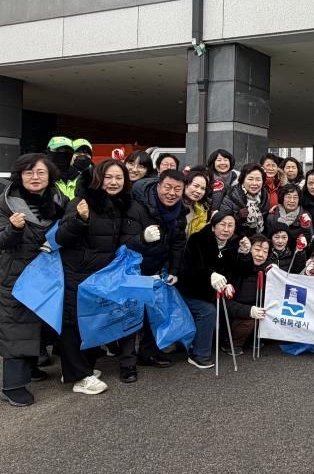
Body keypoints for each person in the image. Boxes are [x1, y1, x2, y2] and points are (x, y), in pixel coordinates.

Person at [56, 159, 138, 390]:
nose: (113, 182)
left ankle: (78, 369)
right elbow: (61, 237)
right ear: (98, 178)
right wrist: (79, 220)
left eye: (119, 178)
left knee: (91, 321)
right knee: (73, 322)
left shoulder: (118, 205)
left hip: (100, 274)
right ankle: (79, 377)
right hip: (77, 272)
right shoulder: (82, 202)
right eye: (108, 177)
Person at [0, 154, 67, 407]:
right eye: (28, 173)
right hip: (16, 274)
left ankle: (30, 369)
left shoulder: (60, 200)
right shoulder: (7, 204)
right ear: (19, 175)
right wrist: (13, 229)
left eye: (40, 172)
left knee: (38, 322)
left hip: (48, 273)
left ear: (49, 175)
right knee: (17, 325)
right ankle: (12, 386)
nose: (35, 177)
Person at [123, 170, 188, 368]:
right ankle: (127, 364)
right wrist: (143, 238)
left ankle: (148, 353)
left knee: (154, 311)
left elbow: (178, 244)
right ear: (158, 186)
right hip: (133, 269)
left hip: (158, 267)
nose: (172, 193)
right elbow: (125, 242)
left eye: (177, 189)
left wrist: (175, 271)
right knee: (132, 316)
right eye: (167, 187)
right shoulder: (137, 206)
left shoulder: (180, 212)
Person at [178, 212, 251, 367]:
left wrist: (245, 255)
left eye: (230, 225)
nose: (226, 229)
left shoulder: (233, 244)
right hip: (191, 290)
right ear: (213, 226)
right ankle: (199, 354)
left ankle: (226, 343)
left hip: (215, 292)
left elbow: (240, 271)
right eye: (222, 225)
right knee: (208, 310)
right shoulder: (197, 240)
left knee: (229, 305)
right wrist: (210, 275)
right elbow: (191, 269)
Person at [223, 234, 273, 354]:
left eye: (265, 251)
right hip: (234, 317)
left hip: (256, 312)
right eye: (256, 249)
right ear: (248, 249)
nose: (260, 254)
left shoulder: (269, 271)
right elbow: (225, 303)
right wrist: (248, 310)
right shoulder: (235, 268)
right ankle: (231, 343)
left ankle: (252, 339)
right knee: (250, 319)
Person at [220, 163, 270, 238]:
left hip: (259, 239)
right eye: (250, 179)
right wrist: (237, 217)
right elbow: (222, 222)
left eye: (258, 180)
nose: (254, 183)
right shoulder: (232, 195)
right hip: (236, 240)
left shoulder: (264, 195)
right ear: (242, 179)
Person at [265, 183, 313, 247]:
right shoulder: (272, 216)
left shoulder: (305, 216)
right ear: (282, 198)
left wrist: (306, 227)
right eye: (288, 197)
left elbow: (308, 240)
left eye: (295, 197)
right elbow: (268, 239)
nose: (292, 201)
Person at [183, 170, 210, 238]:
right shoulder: (173, 204)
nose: (199, 191)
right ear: (185, 185)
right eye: (196, 186)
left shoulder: (201, 210)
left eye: (203, 188)